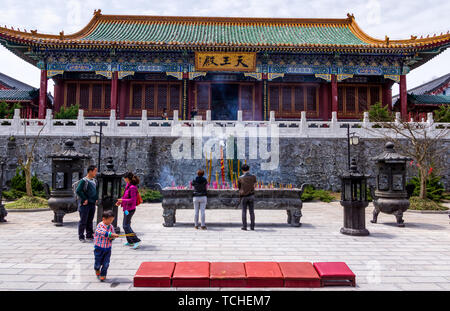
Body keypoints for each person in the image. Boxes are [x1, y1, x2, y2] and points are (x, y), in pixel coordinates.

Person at [116, 172, 141, 249]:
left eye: (125, 178)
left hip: (130, 209)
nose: (124, 179)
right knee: (126, 225)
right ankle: (130, 241)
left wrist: (122, 200)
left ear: (128, 178)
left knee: (125, 226)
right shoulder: (128, 186)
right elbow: (125, 196)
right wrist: (120, 201)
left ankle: (136, 240)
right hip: (126, 208)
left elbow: (132, 200)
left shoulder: (132, 187)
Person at [94, 210, 119, 282]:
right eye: (110, 220)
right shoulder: (100, 225)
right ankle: (97, 268)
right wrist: (111, 235)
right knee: (98, 263)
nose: (111, 222)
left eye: (112, 220)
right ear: (103, 219)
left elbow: (113, 234)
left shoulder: (111, 226)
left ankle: (103, 274)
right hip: (99, 248)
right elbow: (102, 232)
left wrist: (113, 237)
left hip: (108, 248)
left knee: (106, 263)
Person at [76, 165, 99, 243]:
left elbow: (96, 191)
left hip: (92, 204)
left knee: (90, 220)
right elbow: (78, 191)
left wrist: (96, 199)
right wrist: (84, 198)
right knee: (83, 221)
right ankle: (81, 236)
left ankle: (89, 235)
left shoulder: (94, 181)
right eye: (95, 171)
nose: (96, 172)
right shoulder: (84, 181)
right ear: (90, 171)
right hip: (85, 204)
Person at [238, 164, 257, 231]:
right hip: (251, 195)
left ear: (242, 170)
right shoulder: (253, 177)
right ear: (248, 169)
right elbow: (254, 184)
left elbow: (239, 187)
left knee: (244, 211)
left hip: (244, 196)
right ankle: (252, 226)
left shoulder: (240, 178)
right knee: (251, 212)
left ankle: (244, 226)